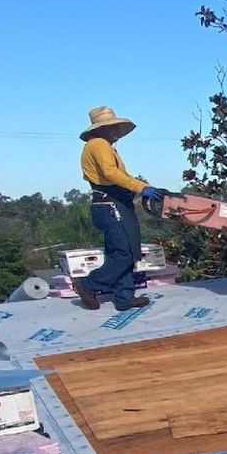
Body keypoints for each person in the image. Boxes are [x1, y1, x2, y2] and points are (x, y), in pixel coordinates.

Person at [74, 105, 165, 312]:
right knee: (124, 253)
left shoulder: (102, 146)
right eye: (114, 128)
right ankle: (88, 285)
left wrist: (137, 184)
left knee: (124, 251)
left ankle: (124, 297)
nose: (117, 133)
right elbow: (110, 173)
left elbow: (114, 173)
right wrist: (141, 188)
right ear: (103, 129)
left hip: (113, 204)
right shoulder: (98, 144)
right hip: (110, 205)